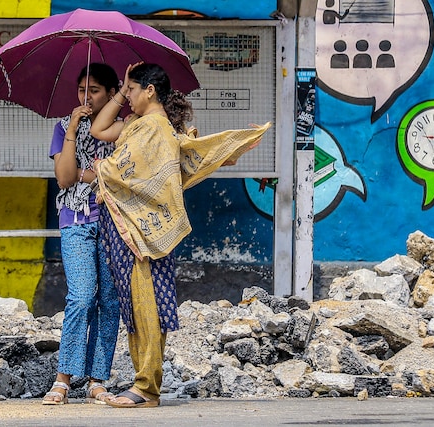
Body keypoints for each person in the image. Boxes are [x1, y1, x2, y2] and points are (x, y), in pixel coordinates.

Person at [90, 62, 270, 408]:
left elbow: (124, 169)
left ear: (150, 91)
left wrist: (101, 167)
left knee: (147, 305)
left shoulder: (153, 129)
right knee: (139, 304)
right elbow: (104, 133)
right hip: (135, 229)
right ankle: (144, 385)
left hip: (141, 233)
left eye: (131, 90)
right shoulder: (144, 126)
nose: (126, 97)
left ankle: (145, 389)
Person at [43, 63, 121, 405]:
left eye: (94, 91)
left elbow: (121, 177)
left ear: (111, 93)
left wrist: (90, 175)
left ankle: (96, 380)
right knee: (81, 297)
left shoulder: (124, 129)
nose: (85, 97)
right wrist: (74, 129)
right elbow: (64, 178)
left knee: (110, 301)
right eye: (81, 91)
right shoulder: (63, 126)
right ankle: (63, 379)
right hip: (75, 221)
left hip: (115, 223)